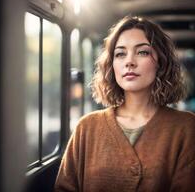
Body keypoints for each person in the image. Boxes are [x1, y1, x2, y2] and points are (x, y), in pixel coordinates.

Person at [54, 16, 195, 192]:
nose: (129, 61)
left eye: (142, 52)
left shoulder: (186, 127)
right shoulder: (87, 126)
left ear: (161, 62)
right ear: (112, 65)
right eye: (120, 54)